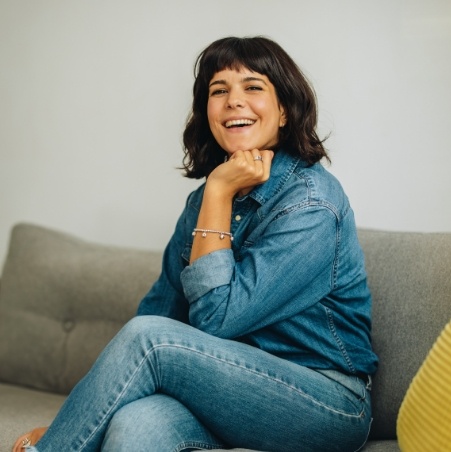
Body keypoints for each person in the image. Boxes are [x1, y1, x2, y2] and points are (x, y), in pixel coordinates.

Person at [14, 36, 378, 452]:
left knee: (149, 339)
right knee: (136, 424)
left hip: (327, 402)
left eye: (253, 87)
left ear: (283, 111)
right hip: (227, 390)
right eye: (218, 91)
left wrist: (219, 193)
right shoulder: (201, 201)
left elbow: (214, 321)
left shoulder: (312, 203)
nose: (233, 101)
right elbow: (162, 309)